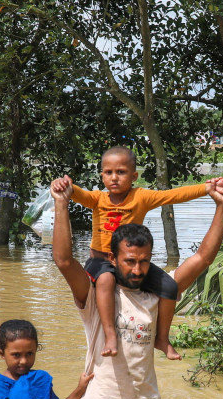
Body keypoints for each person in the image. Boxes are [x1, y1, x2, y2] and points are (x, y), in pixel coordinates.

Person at [51, 174, 223, 399]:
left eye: (144, 262)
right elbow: (65, 261)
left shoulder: (156, 293)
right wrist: (62, 206)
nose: (137, 270)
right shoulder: (94, 294)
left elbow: (202, 258)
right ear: (112, 258)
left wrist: (222, 208)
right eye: (130, 261)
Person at [52, 146, 208, 360]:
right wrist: (64, 185)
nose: (114, 178)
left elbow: (172, 195)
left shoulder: (141, 197)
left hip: (130, 261)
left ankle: (162, 338)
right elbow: (76, 193)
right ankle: (110, 336)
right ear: (102, 175)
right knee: (105, 280)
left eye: (121, 172)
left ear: (134, 176)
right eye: (108, 172)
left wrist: (207, 188)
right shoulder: (97, 199)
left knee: (170, 286)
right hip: (101, 261)